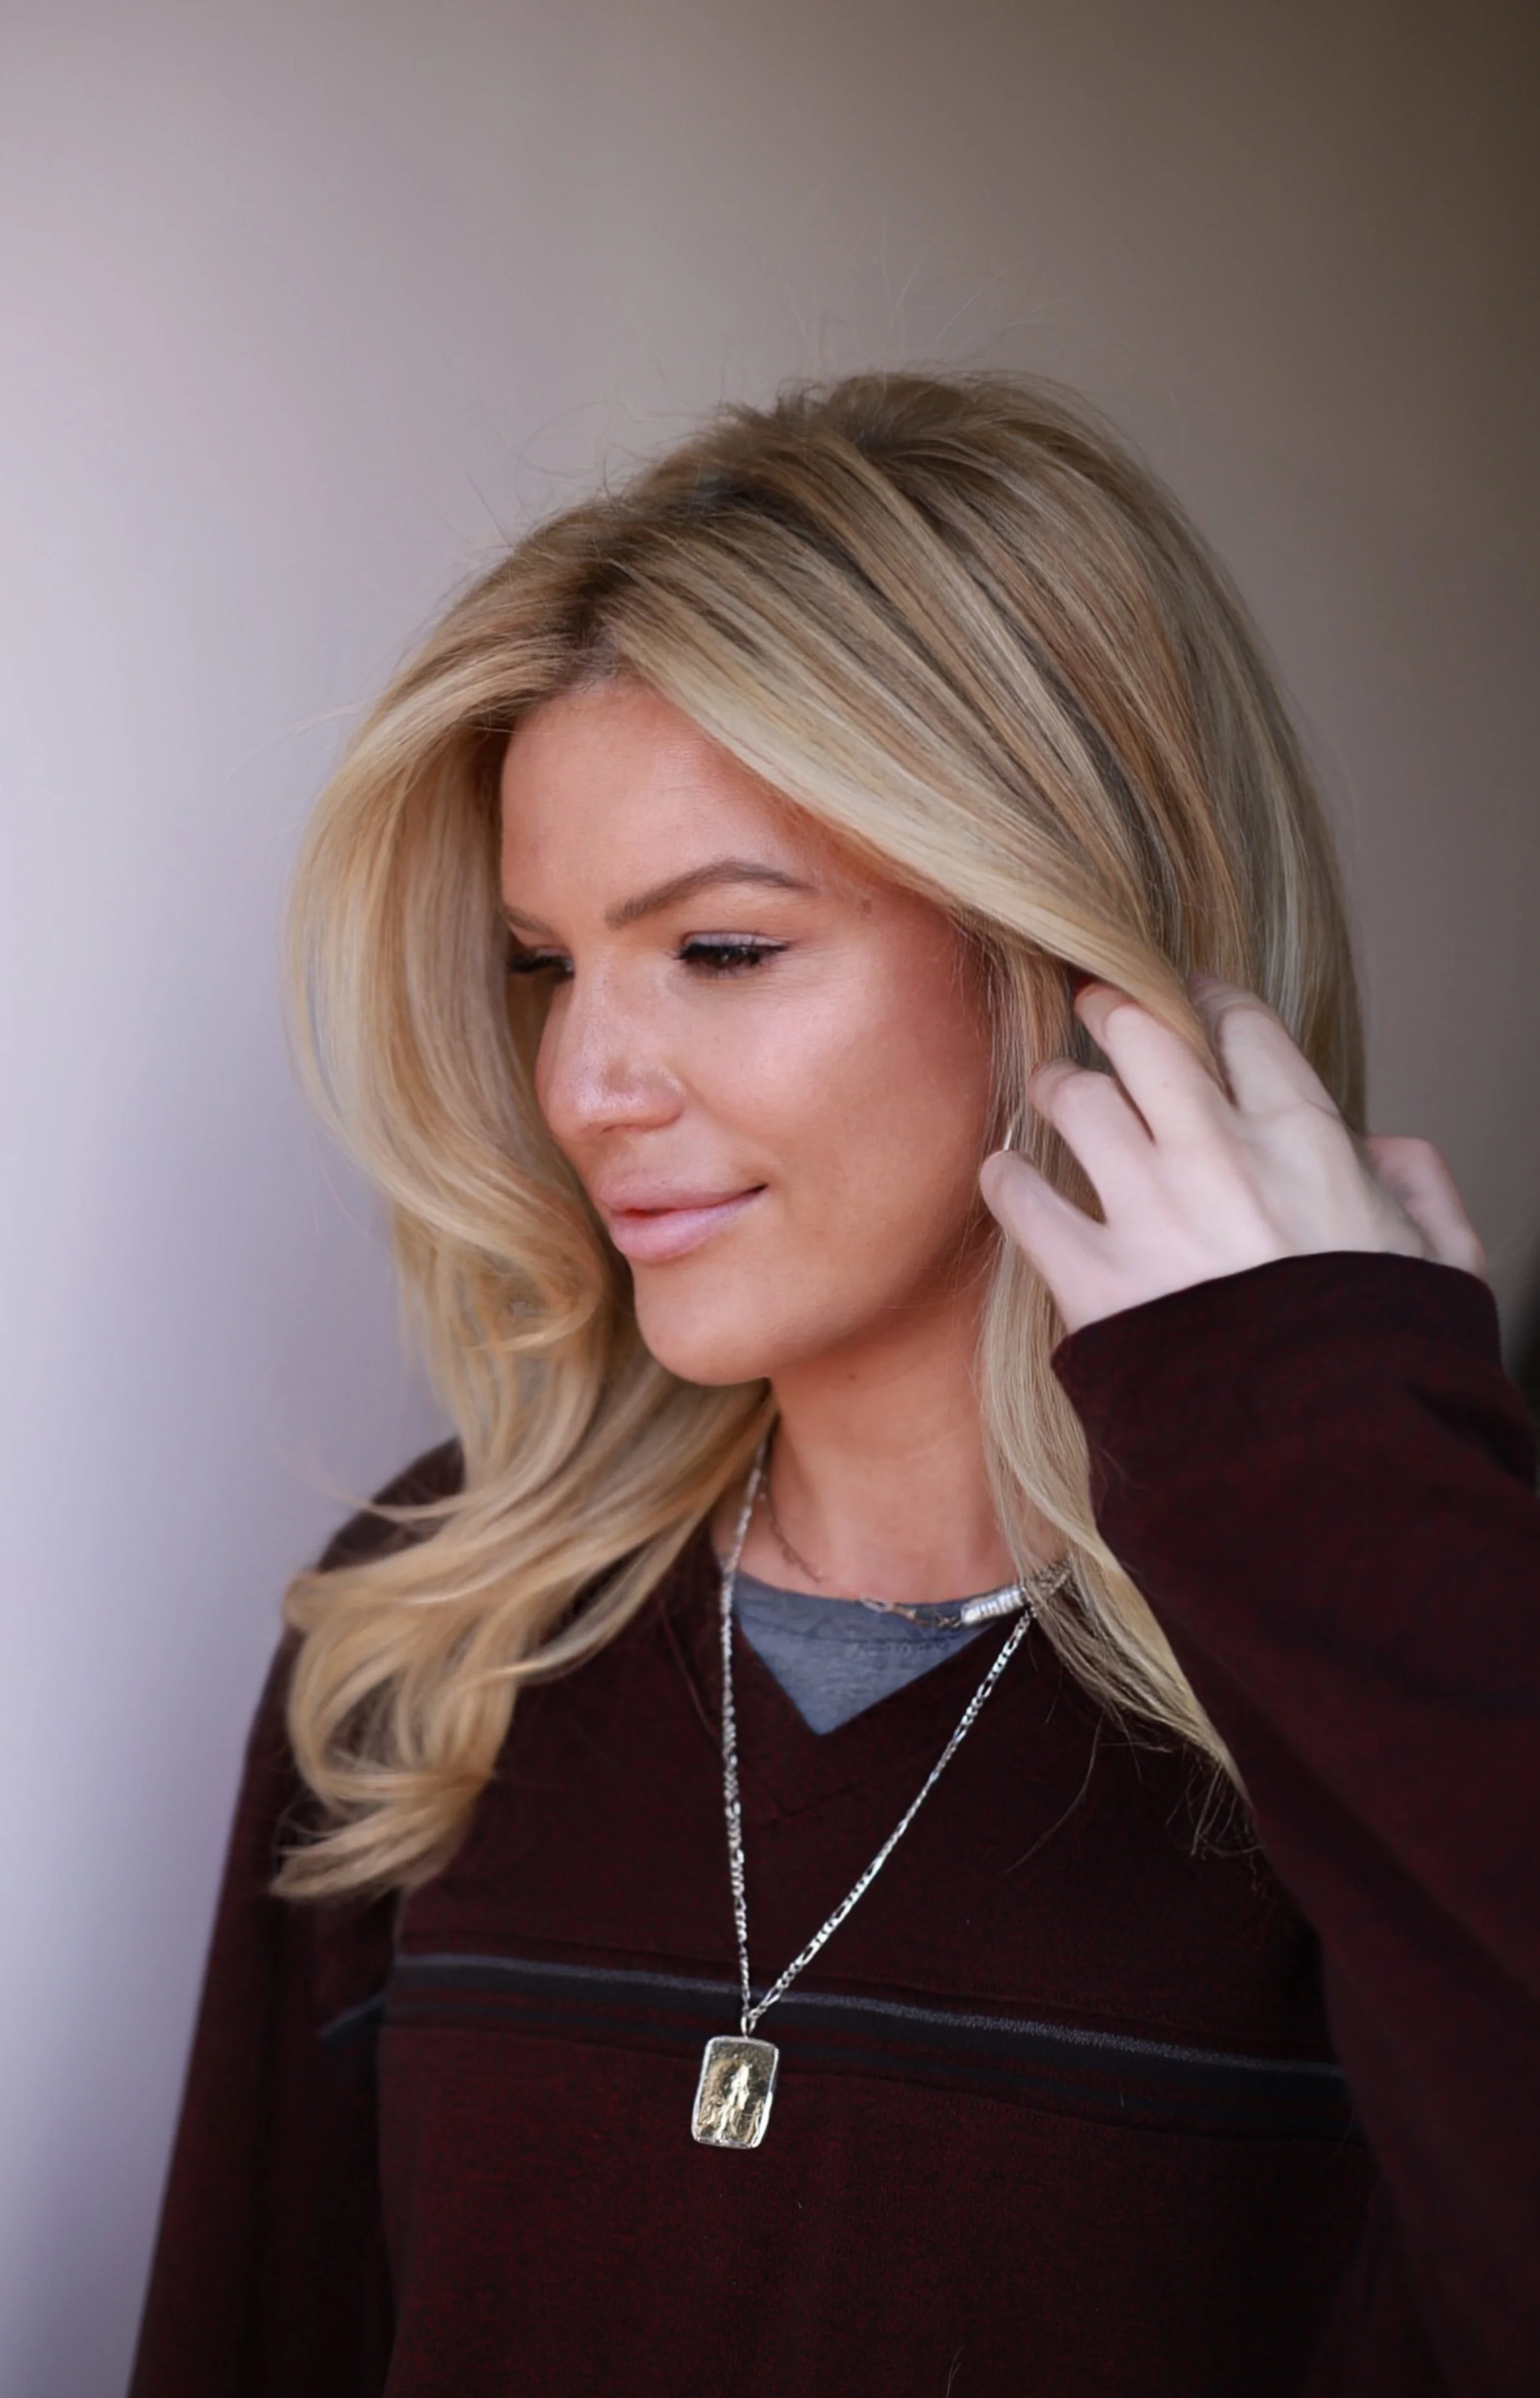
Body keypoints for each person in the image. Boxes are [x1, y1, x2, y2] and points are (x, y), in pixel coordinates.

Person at [129, 373, 1540, 2397]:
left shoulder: (1386, 1670)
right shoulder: (428, 1644)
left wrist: (1339, 1474)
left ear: (1062, 946)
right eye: (547, 964)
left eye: (713, 946)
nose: (582, 1087)